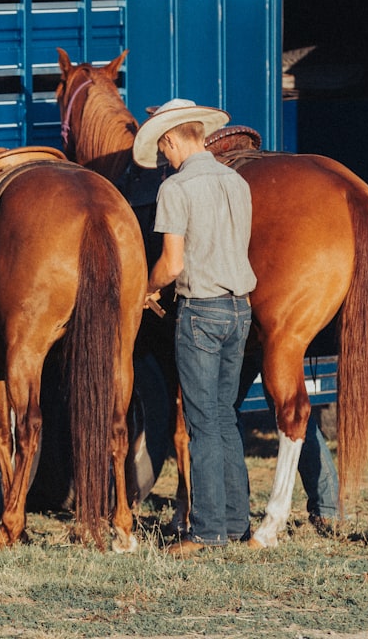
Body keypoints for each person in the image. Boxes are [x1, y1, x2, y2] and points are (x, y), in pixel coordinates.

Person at [134, 98, 257, 557]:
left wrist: (146, 289)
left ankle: (205, 531)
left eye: (162, 148)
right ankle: (236, 522)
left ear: (169, 139)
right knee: (226, 418)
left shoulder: (176, 188)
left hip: (201, 311)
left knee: (202, 421)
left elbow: (172, 263)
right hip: (239, 310)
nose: (163, 157)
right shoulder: (237, 182)